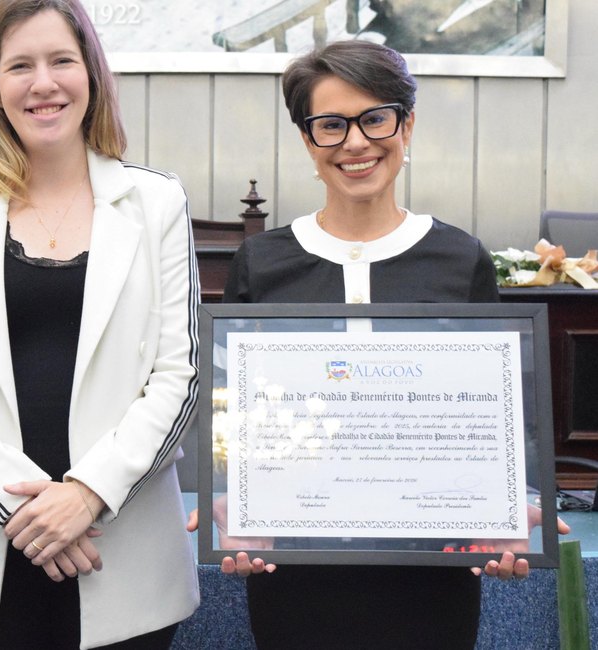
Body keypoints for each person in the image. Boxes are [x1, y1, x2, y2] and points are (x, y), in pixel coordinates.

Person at [196, 40, 568, 649]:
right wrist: (229, 501)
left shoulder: (459, 257)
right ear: (306, 139)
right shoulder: (262, 263)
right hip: (295, 567)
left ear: (408, 124)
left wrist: (504, 509)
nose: (356, 142)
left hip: (431, 569)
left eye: (375, 118)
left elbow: (493, 414)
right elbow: (235, 412)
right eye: (330, 125)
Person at [0, 1, 200, 647]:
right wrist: (31, 515)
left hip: (116, 544)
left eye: (61, 60)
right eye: (20, 66)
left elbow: (181, 377)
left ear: (91, 72)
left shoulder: (156, 202)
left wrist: (86, 495)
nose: (44, 83)